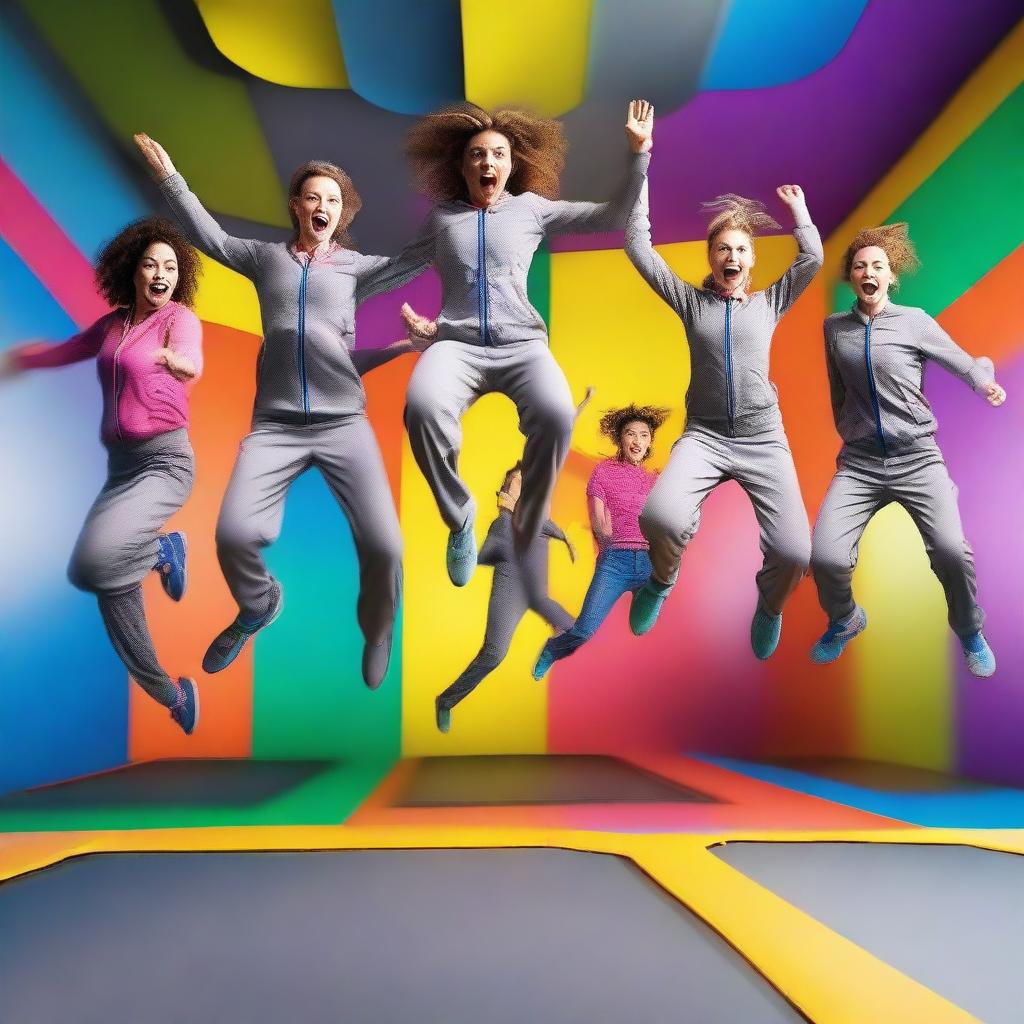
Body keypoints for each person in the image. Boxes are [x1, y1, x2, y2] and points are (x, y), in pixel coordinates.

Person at [135, 134, 431, 689]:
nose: (323, 208)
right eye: (313, 198)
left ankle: (380, 629)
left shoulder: (356, 269)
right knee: (232, 535)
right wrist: (170, 178)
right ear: (296, 205)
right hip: (275, 427)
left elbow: (420, 257)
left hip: (344, 426)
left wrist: (470, 205)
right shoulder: (264, 259)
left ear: (343, 214)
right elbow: (209, 235)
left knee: (386, 546)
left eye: (334, 201)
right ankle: (258, 606)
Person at [356, 100, 654, 590]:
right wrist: (333, 291)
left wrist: (639, 154)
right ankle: (460, 518)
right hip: (457, 344)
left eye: (497, 154)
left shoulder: (531, 210)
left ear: (513, 165)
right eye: (477, 155)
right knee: (422, 407)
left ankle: (530, 516)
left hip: (522, 347)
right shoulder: (442, 221)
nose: (487, 163)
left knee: (557, 414)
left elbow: (615, 214)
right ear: (461, 166)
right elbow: (395, 269)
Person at [623, 102, 823, 659]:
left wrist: (800, 213)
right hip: (706, 435)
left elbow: (812, 257)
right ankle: (661, 582)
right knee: (658, 515)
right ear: (711, 259)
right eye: (722, 250)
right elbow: (639, 247)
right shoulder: (691, 302)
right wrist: (642, 156)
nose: (731, 257)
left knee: (796, 553)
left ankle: (769, 607)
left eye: (741, 250)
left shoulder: (771, 300)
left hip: (763, 439)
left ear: (752, 262)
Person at [1, 218, 204, 733]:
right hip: (122, 469)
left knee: (100, 558)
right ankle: (171, 694)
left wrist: (176, 364)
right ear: (132, 271)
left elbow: (192, 363)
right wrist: (22, 360)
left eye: (171, 267)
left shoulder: (179, 321)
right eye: (151, 264)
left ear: (178, 278)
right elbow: (68, 350)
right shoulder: (115, 326)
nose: (161, 274)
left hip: (164, 461)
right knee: (96, 574)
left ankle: (163, 550)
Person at [809, 223, 1005, 676]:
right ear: (851, 278)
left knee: (951, 551)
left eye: (877, 265)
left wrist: (983, 382)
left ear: (890, 275)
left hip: (917, 457)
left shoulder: (913, 321)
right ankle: (845, 620)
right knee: (826, 557)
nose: (868, 271)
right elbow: (837, 388)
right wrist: (849, 428)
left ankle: (970, 629)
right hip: (859, 463)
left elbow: (961, 359)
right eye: (860, 266)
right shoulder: (834, 329)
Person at [533, 403, 668, 680]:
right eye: (631, 434)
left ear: (650, 441)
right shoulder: (604, 472)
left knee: (651, 617)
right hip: (615, 561)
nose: (637, 441)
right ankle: (552, 650)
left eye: (643, 435)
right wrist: (606, 540)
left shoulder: (655, 480)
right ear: (621, 438)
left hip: (647, 561)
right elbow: (597, 518)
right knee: (583, 630)